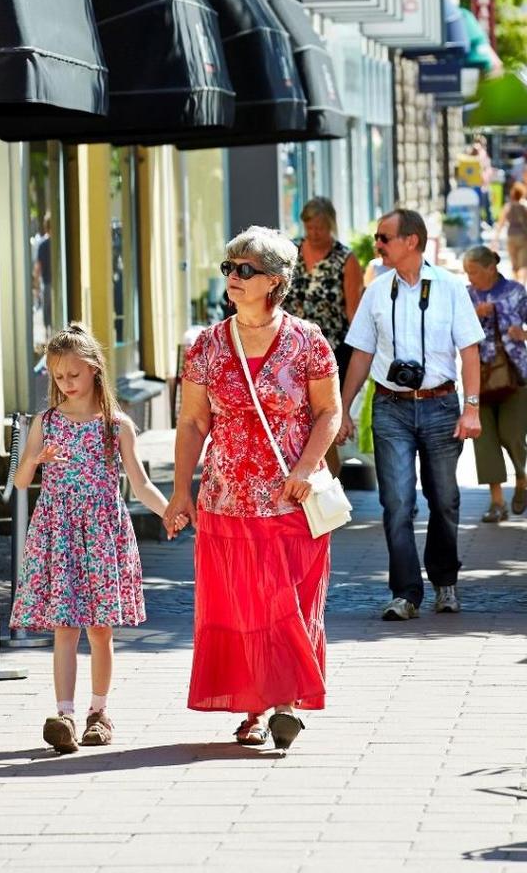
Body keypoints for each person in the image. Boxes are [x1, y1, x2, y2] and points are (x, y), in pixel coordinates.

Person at [164, 227, 341, 754]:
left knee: (290, 602)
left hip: (291, 496)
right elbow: (192, 423)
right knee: (243, 609)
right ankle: (253, 709)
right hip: (226, 499)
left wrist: (308, 467)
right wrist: (180, 492)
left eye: (245, 270)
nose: (233, 278)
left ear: (276, 281)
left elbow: (329, 411)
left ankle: (285, 702)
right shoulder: (206, 346)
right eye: (229, 268)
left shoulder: (308, 341)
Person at [11, 322, 172, 755]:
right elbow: (21, 482)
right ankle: (63, 713)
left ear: (95, 371)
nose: (66, 384)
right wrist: (38, 460)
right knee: (64, 627)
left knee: (100, 629)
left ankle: (98, 713)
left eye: (73, 376)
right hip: (59, 531)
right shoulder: (45, 423)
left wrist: (172, 512)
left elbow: (139, 485)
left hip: (102, 533)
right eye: (58, 377)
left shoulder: (116, 426)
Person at [336, 208, 483, 620]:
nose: (377, 244)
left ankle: (445, 580)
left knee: (445, 499)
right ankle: (405, 593)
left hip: (440, 405)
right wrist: (343, 409)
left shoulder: (451, 287)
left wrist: (472, 409)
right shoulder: (377, 292)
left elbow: (470, 350)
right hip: (390, 407)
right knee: (396, 502)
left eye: (384, 237)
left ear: (411, 241)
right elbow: (361, 353)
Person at [462, 246, 527, 523]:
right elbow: (452, 332)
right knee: (484, 439)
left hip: (514, 373)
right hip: (478, 376)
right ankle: (497, 502)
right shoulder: (465, 296)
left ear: (490, 268)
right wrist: (475, 315)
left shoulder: (515, 291)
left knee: (513, 434)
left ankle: (521, 475)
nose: (469, 277)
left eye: (473, 271)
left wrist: (524, 333)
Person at [283, 197, 363, 475]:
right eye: (309, 227)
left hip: (330, 350)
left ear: (331, 225)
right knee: (293, 416)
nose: (314, 233)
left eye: (320, 227)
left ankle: (329, 483)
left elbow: (353, 312)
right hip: (289, 349)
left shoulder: (345, 259)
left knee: (323, 417)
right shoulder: (289, 253)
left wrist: (361, 353)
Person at [498, 182, 527, 285]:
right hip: (525, 237)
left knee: (514, 263)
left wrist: (495, 239)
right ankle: (523, 284)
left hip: (511, 236)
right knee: (524, 262)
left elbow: (500, 223)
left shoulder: (508, 206)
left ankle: (516, 283)